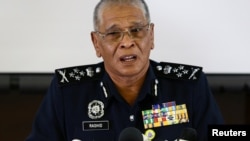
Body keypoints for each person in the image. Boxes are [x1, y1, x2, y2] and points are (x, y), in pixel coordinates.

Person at [26, 0, 224, 141]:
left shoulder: (189, 86)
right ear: (96, 43)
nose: (127, 42)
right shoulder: (67, 92)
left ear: (151, 35)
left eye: (137, 30)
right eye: (113, 34)